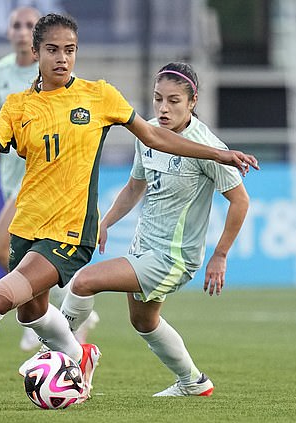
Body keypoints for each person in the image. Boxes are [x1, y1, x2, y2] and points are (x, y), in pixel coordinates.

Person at [0, 14, 258, 403]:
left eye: (70, 50)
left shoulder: (99, 95)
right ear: (35, 52)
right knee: (32, 314)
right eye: (53, 49)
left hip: (69, 233)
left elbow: (155, 136)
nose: (62, 58)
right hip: (28, 226)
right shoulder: (18, 106)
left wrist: (220, 155)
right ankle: (77, 355)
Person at [58, 62, 251, 397]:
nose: (163, 108)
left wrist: (220, 255)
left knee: (84, 282)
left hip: (172, 257)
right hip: (143, 247)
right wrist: (106, 223)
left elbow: (241, 201)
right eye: (158, 98)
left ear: (193, 102)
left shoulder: (205, 146)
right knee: (144, 322)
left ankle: (61, 354)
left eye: (174, 100)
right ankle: (193, 382)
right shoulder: (147, 133)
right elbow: (135, 187)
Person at [0, 6, 98, 353]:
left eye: (28, 25)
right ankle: (56, 316)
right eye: (15, 25)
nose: (21, 31)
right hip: (12, 171)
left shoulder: (63, 79)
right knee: (19, 252)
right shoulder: (0, 71)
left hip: (39, 182)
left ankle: (50, 315)